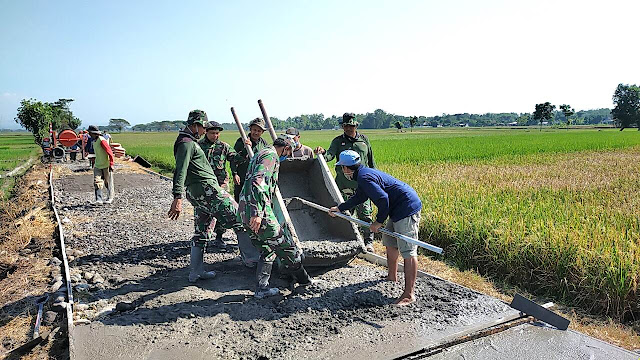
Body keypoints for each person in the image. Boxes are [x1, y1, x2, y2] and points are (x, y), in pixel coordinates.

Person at [168, 110, 258, 283]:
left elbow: (236, 159)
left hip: (199, 193)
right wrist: (177, 197)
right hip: (208, 190)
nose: (204, 132)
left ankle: (196, 272)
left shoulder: (192, 142)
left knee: (201, 231)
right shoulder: (187, 143)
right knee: (241, 217)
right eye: (204, 128)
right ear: (196, 125)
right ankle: (252, 260)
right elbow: (180, 170)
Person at [329, 150, 422, 306]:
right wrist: (340, 208)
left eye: (341, 167)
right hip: (395, 209)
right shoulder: (363, 174)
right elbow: (360, 197)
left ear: (346, 168)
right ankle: (392, 276)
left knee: (408, 251)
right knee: (390, 242)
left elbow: (383, 199)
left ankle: (409, 294)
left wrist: (378, 221)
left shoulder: (364, 177)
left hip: (406, 208)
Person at [237, 134, 316, 298]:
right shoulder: (271, 156)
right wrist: (257, 213)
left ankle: (262, 289)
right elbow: (258, 182)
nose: (288, 156)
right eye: (289, 152)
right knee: (288, 247)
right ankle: (305, 282)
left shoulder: (261, 153)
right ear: (286, 148)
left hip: (245, 211)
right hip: (259, 213)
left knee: (267, 249)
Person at [198, 121, 261, 265]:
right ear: (206, 132)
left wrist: (247, 148)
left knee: (225, 213)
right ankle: (202, 240)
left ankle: (219, 237)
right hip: (204, 186)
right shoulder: (198, 147)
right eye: (212, 133)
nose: (215, 135)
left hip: (221, 185)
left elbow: (237, 159)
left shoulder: (223, 146)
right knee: (204, 213)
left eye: (217, 133)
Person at [314, 112, 376, 252]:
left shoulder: (364, 140)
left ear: (356, 126)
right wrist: (322, 153)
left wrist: (375, 179)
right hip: (343, 186)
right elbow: (329, 155)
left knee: (365, 215)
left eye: (351, 126)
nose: (348, 128)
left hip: (363, 185)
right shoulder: (337, 141)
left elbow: (371, 161)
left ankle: (368, 242)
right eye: (345, 126)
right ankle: (349, 240)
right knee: (345, 214)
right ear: (342, 126)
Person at [231, 118, 268, 203]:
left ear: (262, 132)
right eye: (254, 130)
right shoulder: (241, 141)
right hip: (242, 177)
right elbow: (234, 158)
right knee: (239, 201)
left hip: (256, 178)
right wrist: (235, 174)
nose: (256, 133)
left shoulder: (264, 144)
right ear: (250, 129)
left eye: (259, 131)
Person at [87, 125, 115, 204]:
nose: (89, 134)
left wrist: (111, 164)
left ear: (94, 133)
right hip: (98, 165)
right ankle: (99, 199)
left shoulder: (102, 140)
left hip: (106, 164)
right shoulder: (94, 141)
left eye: (90, 133)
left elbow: (109, 152)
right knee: (97, 181)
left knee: (107, 182)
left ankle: (110, 198)